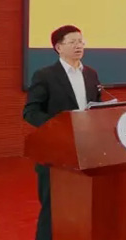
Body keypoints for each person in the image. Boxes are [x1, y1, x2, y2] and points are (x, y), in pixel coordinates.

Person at [23, 25, 101, 240]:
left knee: (81, 206)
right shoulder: (45, 75)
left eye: (81, 41)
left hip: (85, 151)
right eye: (72, 42)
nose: (79, 46)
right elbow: (31, 112)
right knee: (52, 209)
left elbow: (97, 106)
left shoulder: (91, 74)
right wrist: (60, 127)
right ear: (58, 47)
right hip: (55, 152)